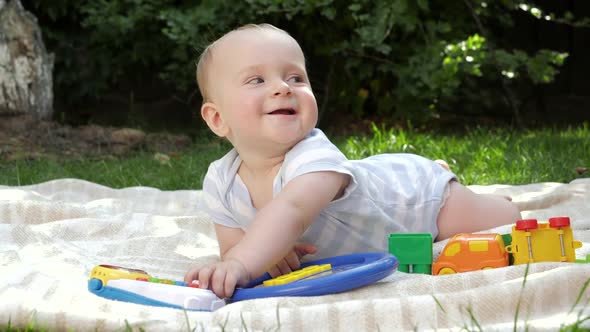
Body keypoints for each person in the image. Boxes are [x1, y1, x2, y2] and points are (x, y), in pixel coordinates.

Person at [184, 23, 521, 298]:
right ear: (217, 119)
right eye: (256, 80)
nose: (282, 88)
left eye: (295, 78)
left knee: (502, 218)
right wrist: (249, 259)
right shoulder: (221, 182)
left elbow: (291, 212)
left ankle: (457, 184)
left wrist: (244, 263)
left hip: (416, 202)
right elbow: (234, 251)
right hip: (378, 205)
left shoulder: (314, 157)